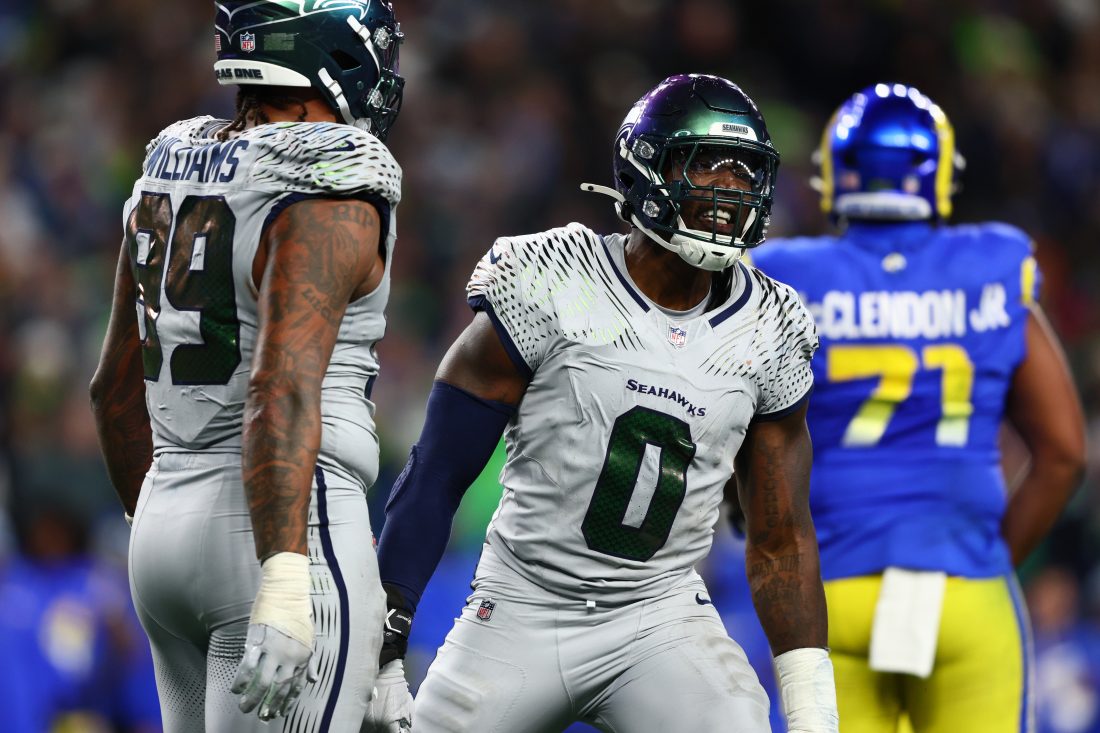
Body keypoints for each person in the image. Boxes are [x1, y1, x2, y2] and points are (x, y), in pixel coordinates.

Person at [371, 73, 838, 733]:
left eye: (744, 173)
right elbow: (437, 471)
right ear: (647, 171)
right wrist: (386, 639)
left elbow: (781, 536)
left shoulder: (771, 325)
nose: (728, 190)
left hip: (660, 613)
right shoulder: (554, 277)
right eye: (706, 166)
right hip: (522, 602)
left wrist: (813, 702)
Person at [88, 1, 406, 730]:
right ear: (335, 52)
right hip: (281, 532)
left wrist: (166, 522)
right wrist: (288, 573)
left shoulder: (168, 166)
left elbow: (113, 388)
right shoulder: (333, 176)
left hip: (162, 522)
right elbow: (281, 384)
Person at [749, 83, 1088, 733]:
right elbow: (1064, 452)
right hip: (963, 587)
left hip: (826, 595)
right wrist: (987, 562)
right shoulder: (993, 262)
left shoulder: (786, 273)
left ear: (835, 175)